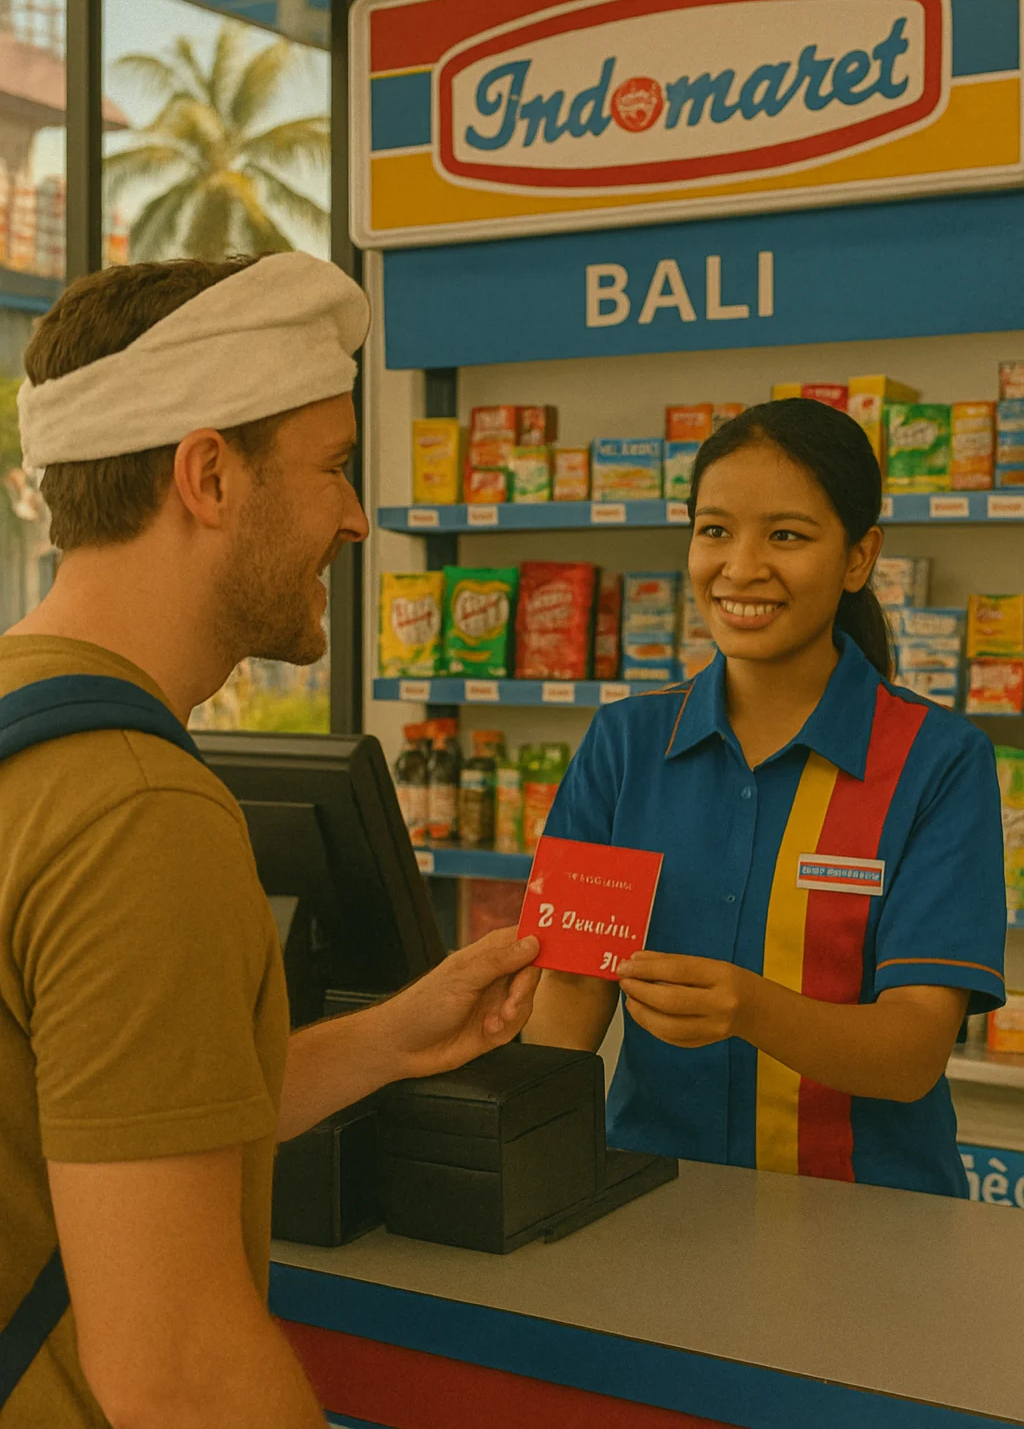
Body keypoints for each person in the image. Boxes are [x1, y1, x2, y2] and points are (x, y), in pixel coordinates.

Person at [0, 252, 540, 1429]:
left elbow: (98, 1115)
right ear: (208, 476)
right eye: (335, 467)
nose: (355, 516)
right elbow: (178, 1372)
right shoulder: (137, 809)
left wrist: (389, 1040)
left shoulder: (21, 732)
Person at [524, 398, 1006, 1198]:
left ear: (859, 558)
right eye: (714, 530)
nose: (741, 567)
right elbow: (572, 990)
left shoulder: (938, 762)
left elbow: (914, 1052)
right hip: (651, 1202)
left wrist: (752, 1009)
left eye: (786, 535)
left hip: (870, 1224)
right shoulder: (624, 744)